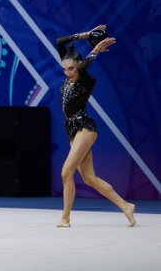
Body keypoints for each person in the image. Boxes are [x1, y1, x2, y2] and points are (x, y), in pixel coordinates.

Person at [55, 24, 135, 227]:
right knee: (89, 178)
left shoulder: (86, 80)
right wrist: (88, 34)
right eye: (64, 69)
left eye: (71, 68)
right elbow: (60, 42)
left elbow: (83, 68)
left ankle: (65, 218)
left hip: (84, 128)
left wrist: (96, 50)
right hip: (72, 131)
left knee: (66, 172)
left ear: (79, 65)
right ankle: (126, 206)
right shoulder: (70, 75)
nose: (68, 73)